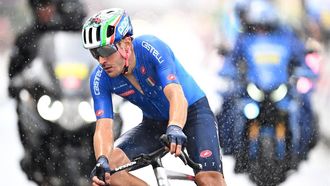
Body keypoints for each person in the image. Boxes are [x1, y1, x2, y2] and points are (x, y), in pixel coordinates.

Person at [81, 8, 227, 186]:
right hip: (154, 124)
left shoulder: (150, 47)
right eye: (95, 53)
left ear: (127, 44)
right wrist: (102, 159)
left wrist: (175, 126)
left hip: (192, 113)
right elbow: (103, 127)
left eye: (105, 50)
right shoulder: (99, 78)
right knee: (110, 172)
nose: (101, 60)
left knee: (208, 179)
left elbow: (176, 95)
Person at [217, 0, 316, 171]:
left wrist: (305, 70)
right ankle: (229, 147)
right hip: (251, 91)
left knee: (304, 107)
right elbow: (231, 61)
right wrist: (227, 71)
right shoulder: (244, 40)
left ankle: (302, 149)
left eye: (265, 27)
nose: (261, 30)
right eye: (257, 26)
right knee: (228, 104)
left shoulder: (286, 38)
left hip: (281, 91)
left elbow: (301, 59)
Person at [8, 0, 86, 82]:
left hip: (68, 84)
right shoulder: (26, 38)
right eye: (42, 6)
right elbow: (14, 73)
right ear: (35, 9)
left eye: (50, 5)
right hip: (40, 88)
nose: (46, 10)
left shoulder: (65, 30)